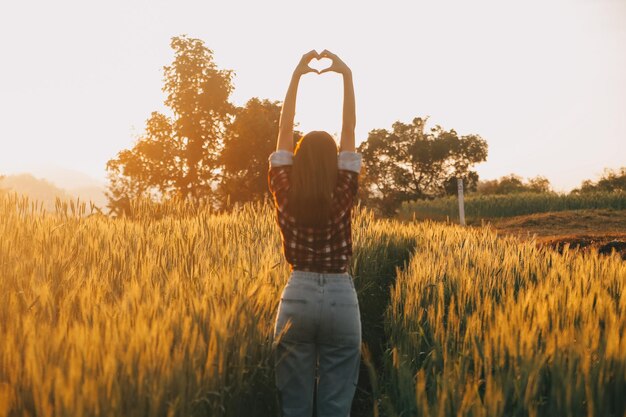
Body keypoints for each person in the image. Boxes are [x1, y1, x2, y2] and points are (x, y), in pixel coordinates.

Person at [268, 49, 362, 417]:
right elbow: (350, 131)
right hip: (341, 296)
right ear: (334, 161)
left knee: (293, 406)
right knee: (337, 405)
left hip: (298, 295)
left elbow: (282, 130)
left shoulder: (284, 189)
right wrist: (346, 76)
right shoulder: (344, 189)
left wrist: (297, 75)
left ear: (300, 159)